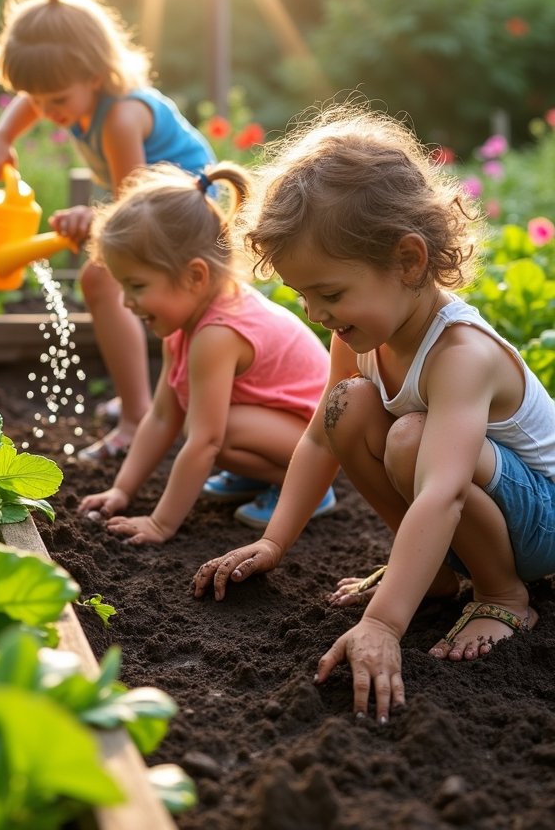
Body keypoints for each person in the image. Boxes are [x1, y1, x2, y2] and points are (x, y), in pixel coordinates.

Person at [192, 104, 555, 723]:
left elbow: (441, 493)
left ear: (408, 261)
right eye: (302, 295)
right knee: (348, 407)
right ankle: (440, 575)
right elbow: (317, 442)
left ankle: (502, 594)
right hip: (474, 505)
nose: (315, 311)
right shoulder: (359, 333)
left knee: (412, 442)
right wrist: (275, 541)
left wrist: (383, 623)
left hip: (542, 522)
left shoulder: (460, 354)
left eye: (329, 293)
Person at [0, 0, 215, 462]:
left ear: (95, 73)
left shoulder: (122, 117)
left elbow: (132, 207)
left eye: (57, 99)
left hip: (192, 212)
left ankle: (136, 418)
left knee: (102, 280)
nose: (48, 111)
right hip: (151, 206)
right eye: (40, 100)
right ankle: (139, 402)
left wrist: (92, 218)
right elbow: (28, 100)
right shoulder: (69, 97)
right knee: (102, 282)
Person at [77, 161, 336, 540]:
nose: (127, 302)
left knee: (216, 431)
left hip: (319, 440)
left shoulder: (217, 333)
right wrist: (122, 489)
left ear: (195, 276)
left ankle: (308, 490)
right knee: (201, 421)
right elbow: (162, 416)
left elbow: (204, 443)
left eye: (136, 285)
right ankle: (257, 474)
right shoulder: (185, 326)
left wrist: (160, 523)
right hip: (283, 427)